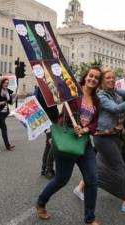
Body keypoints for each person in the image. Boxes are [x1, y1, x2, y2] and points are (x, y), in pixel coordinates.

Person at [36, 66, 102, 225]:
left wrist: (86, 128)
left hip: (84, 144)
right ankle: (41, 202)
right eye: (90, 76)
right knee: (61, 179)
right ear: (85, 77)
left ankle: (89, 219)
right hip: (67, 142)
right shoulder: (72, 94)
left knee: (92, 179)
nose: (92, 79)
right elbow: (62, 117)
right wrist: (60, 132)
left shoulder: (96, 100)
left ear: (98, 82)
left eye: (96, 78)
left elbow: (94, 123)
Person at [88, 69, 125, 214]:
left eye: (113, 78)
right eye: (108, 78)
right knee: (119, 166)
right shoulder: (101, 95)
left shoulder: (116, 92)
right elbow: (116, 108)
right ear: (102, 81)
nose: (112, 80)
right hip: (102, 137)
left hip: (114, 136)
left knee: (100, 165)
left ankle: (82, 186)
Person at [34, 85, 58, 179]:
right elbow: (40, 103)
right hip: (46, 119)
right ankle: (48, 169)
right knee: (52, 143)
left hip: (55, 117)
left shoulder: (52, 86)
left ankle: (45, 168)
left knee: (49, 144)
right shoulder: (41, 88)